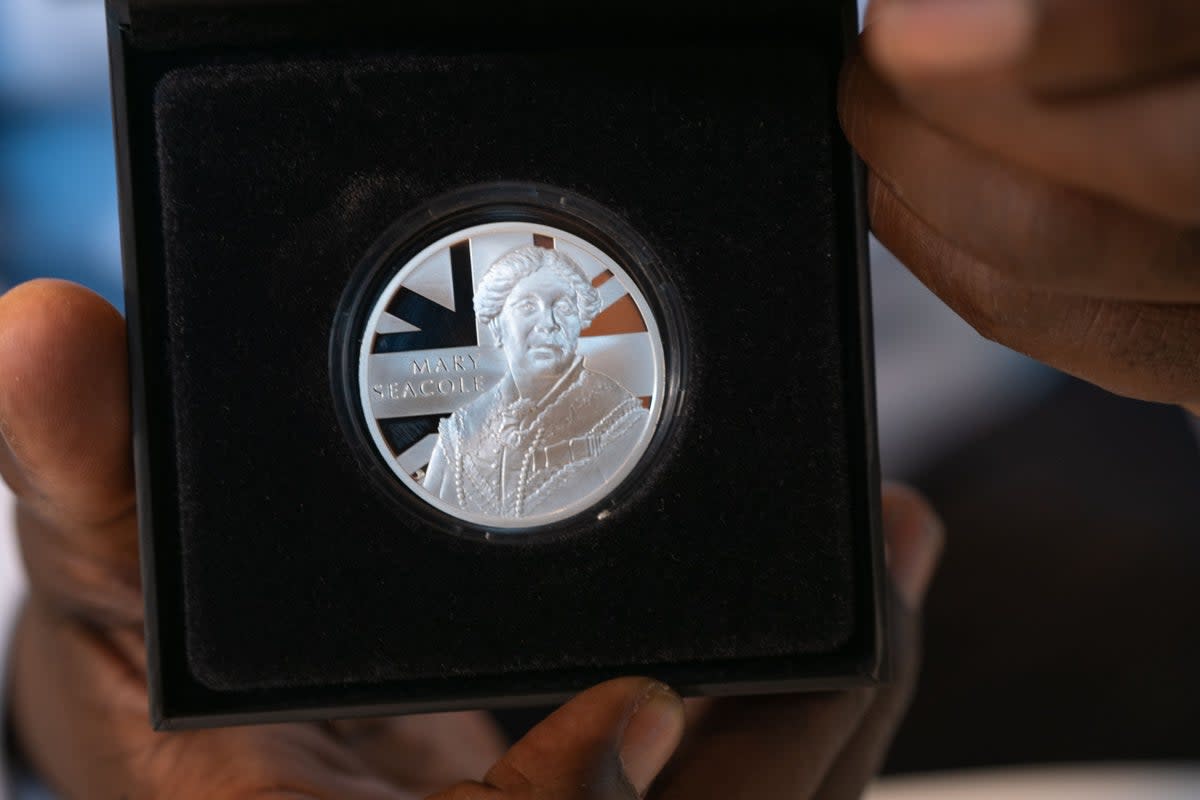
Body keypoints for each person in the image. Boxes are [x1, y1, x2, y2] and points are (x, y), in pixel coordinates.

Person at [1, 0, 1198, 796]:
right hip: (217, 485)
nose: (535, 330)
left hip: (1009, 416)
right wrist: (43, 676)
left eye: (543, 318)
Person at [423, 246, 649, 520]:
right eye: (527, 306)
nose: (548, 322)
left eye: (564, 306)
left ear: (580, 320)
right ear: (496, 324)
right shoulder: (459, 433)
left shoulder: (624, 423)